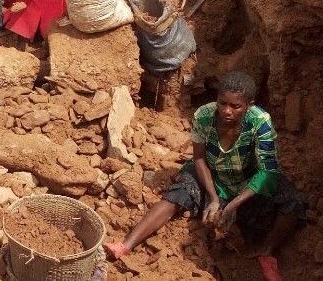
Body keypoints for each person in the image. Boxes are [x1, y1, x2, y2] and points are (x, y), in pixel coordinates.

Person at [103, 71, 307, 281]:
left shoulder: (260, 122)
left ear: (249, 105)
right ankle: (125, 245)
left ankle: (266, 250)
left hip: (249, 181)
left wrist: (233, 205)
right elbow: (199, 158)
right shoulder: (204, 115)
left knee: (292, 201)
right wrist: (214, 198)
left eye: (235, 106)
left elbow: (267, 172)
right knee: (178, 194)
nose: (226, 111)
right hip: (212, 175)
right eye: (222, 103)